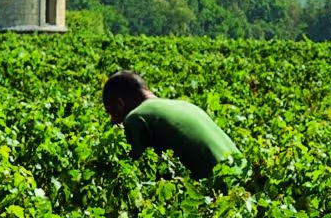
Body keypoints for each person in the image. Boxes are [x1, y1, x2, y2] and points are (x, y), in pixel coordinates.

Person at [101, 70, 237, 175]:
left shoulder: (136, 118)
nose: (112, 120)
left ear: (120, 104)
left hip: (217, 192)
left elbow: (136, 174)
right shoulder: (186, 106)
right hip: (242, 181)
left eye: (110, 112)